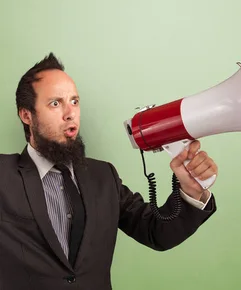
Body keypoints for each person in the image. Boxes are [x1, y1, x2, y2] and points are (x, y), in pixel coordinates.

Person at [0, 53, 218, 289]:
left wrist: (190, 190)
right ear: (26, 115)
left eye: (74, 101)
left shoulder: (104, 176)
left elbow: (157, 232)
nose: (70, 113)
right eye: (55, 103)